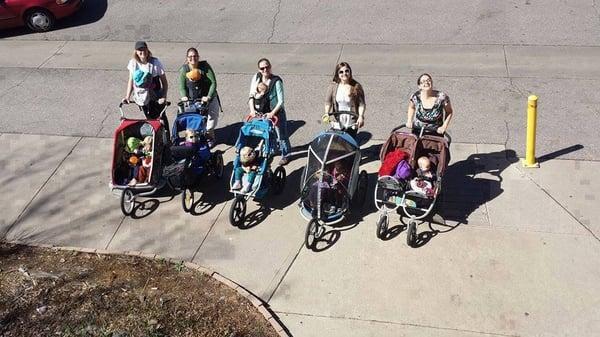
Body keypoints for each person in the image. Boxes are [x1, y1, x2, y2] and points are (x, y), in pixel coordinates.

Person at [248, 58, 292, 166]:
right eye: (262, 68)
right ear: (259, 69)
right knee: (267, 134)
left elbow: (281, 101)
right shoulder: (257, 78)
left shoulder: (276, 81)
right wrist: (252, 110)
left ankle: (286, 154)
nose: (265, 69)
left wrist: (272, 113)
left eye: (267, 67)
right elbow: (251, 96)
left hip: (276, 113)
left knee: (281, 135)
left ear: (270, 67)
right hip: (262, 113)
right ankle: (271, 150)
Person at [178, 47, 221, 147]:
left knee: (212, 120)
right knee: (194, 120)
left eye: (195, 56)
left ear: (198, 57)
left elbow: (213, 83)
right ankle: (195, 137)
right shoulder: (184, 70)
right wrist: (184, 96)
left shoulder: (205, 67)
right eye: (190, 57)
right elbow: (182, 86)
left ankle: (210, 135)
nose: (193, 58)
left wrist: (209, 96)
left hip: (208, 97)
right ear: (187, 58)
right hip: (194, 99)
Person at [123, 41, 169, 129]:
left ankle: (166, 139)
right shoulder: (133, 63)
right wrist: (127, 97)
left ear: (147, 50)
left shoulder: (155, 63)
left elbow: (164, 82)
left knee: (161, 118)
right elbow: (131, 81)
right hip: (141, 97)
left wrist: (164, 96)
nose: (142, 52)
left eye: (144, 49)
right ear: (136, 52)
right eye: (140, 50)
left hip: (155, 96)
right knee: (150, 120)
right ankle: (155, 140)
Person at [324, 62, 366, 139]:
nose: (344, 73)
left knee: (349, 143)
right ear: (338, 74)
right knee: (337, 142)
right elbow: (328, 102)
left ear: (350, 72)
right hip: (338, 120)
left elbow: (361, 104)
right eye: (341, 72)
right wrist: (326, 113)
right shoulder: (333, 86)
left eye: (347, 71)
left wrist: (361, 116)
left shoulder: (356, 86)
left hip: (351, 121)